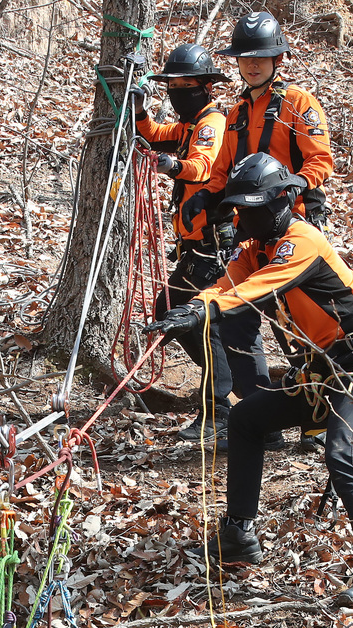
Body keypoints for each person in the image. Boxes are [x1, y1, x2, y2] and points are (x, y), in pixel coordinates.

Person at [147, 153, 353, 607]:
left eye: (253, 208)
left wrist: (206, 309)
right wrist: (189, 308)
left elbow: (259, 289)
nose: (244, 217)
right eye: (240, 209)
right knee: (247, 420)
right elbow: (227, 286)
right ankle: (238, 534)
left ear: (283, 200)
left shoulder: (302, 240)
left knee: (343, 448)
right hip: (320, 370)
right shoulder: (255, 250)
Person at [129, 44, 275, 449]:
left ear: (206, 87)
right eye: (172, 85)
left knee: (206, 322)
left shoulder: (211, 122)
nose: (178, 92)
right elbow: (155, 135)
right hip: (195, 246)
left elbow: (203, 166)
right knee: (171, 312)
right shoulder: (190, 123)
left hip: (213, 247)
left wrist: (172, 167)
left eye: (186, 85)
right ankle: (234, 398)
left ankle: (219, 409)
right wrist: (139, 107)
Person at [188, 10, 335, 229]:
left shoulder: (298, 102)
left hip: (296, 219)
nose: (252, 65)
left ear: (278, 59)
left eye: (260, 57)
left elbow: (320, 160)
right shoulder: (237, 114)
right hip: (251, 223)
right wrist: (204, 195)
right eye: (245, 58)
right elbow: (222, 172)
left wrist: (297, 183)